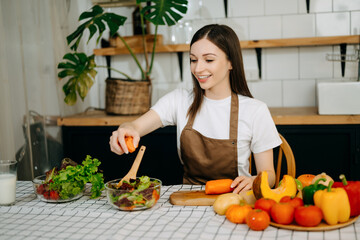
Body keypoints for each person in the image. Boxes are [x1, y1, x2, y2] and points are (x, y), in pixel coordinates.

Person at [109, 24, 281, 193]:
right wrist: (125, 130)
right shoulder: (179, 100)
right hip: (189, 197)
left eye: (209, 60)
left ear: (231, 62)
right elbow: (136, 126)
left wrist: (254, 180)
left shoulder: (255, 110)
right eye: (193, 60)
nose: (198, 68)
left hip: (235, 200)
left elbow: (269, 174)